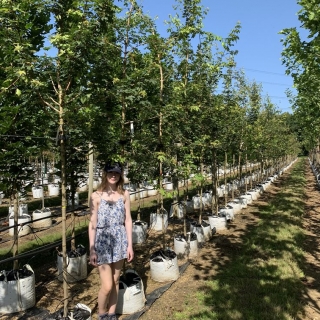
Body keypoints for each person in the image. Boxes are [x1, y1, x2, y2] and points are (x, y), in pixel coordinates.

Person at [88, 162, 134, 320]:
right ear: (105, 174)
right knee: (107, 285)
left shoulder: (124, 194)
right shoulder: (96, 196)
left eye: (116, 173)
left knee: (115, 281)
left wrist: (130, 245)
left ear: (120, 175)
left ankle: (112, 313)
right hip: (103, 242)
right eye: (110, 172)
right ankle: (102, 314)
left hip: (120, 240)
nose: (113, 175)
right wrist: (92, 249)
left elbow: (128, 220)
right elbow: (92, 224)